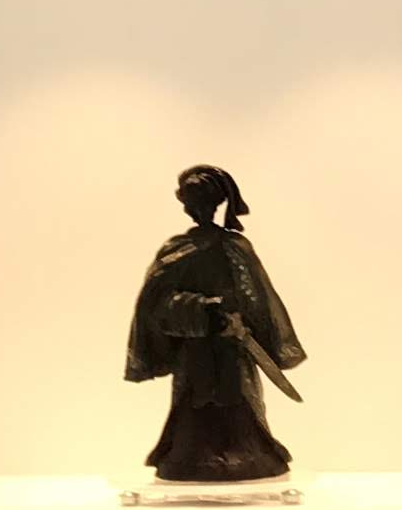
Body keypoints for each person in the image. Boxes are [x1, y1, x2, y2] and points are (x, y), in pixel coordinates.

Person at [124, 165, 304, 487]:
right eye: (191, 203)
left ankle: (247, 455)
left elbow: (258, 299)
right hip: (194, 350)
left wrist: (244, 322)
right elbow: (155, 304)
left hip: (232, 345)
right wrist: (200, 308)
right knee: (195, 403)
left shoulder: (236, 248)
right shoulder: (175, 249)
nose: (195, 210)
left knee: (237, 401)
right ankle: (190, 457)